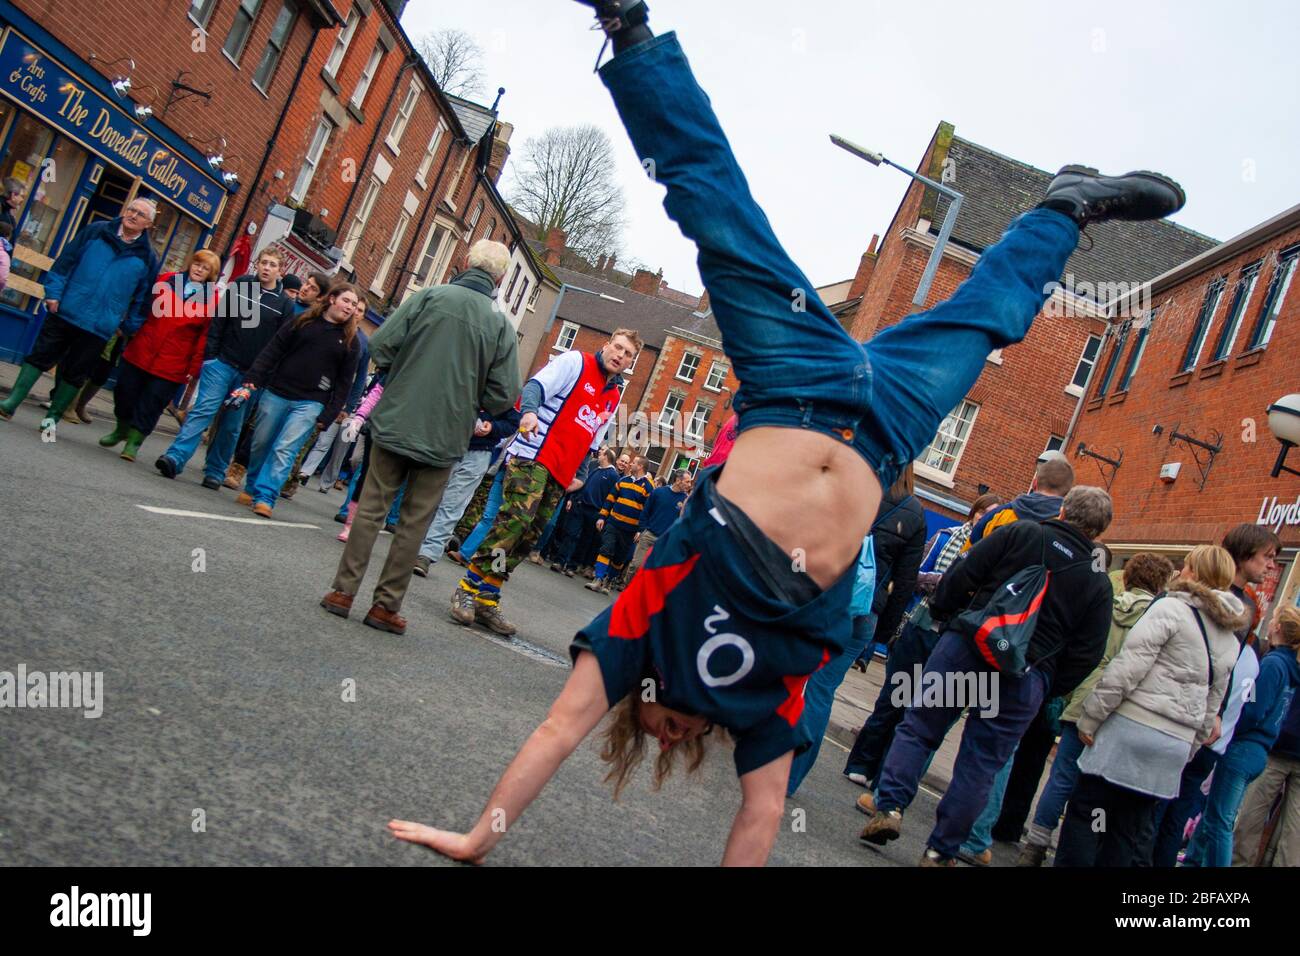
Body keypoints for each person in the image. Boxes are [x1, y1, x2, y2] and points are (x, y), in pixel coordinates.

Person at [387, 0, 1186, 866]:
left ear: (636, 707)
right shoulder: (760, 711)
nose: (666, 733)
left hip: (793, 384)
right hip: (890, 426)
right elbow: (760, 816)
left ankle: (626, 26)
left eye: (649, 730)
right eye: (676, 742)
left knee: (717, 211)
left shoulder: (635, 642)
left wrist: (477, 838)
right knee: (990, 320)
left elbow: (555, 728)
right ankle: (1065, 208)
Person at [320, 240, 521, 635]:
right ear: (499, 278)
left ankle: (343, 593)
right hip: (447, 432)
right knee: (415, 522)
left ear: (464, 263)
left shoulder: (428, 297)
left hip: (397, 418)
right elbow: (503, 394)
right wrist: (469, 398)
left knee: (372, 508)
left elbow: (380, 345)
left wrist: (406, 372)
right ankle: (385, 607)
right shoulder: (500, 325)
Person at [1053, 545, 1244, 867]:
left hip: (1131, 729)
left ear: (1195, 573)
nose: (1180, 570)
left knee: (1087, 813)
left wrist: (1091, 717)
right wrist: (1190, 747)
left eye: (1187, 566)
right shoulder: (1230, 639)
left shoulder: (1170, 608)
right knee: (1127, 831)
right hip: (1173, 746)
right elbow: (1213, 704)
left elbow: (1128, 668)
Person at [449, 329, 638, 635]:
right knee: (514, 522)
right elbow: (536, 386)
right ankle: (467, 589)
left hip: (561, 474)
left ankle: (488, 595)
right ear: (606, 346)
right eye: (617, 347)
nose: (620, 355)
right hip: (534, 455)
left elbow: (593, 439)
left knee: (528, 536)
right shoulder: (576, 362)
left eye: (628, 354)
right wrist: (529, 413)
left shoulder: (614, 394)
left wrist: (581, 475)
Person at [1016, 551, 1175, 865]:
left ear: (1128, 576)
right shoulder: (1157, 618)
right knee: (1096, 788)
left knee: (1061, 776)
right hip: (1118, 707)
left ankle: (1035, 845)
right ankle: (1079, 850)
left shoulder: (1106, 603)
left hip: (1084, 696)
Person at [844, 493, 1001, 795]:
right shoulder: (946, 537)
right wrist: (945, 581)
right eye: (984, 514)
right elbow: (915, 574)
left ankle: (888, 777)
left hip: (952, 639)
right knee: (893, 699)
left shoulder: (995, 552)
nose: (986, 520)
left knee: (923, 711)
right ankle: (862, 763)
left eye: (993, 516)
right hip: (922, 627)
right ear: (974, 514)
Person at [1149, 524, 1281, 866]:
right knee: (1164, 810)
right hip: (1188, 719)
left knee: (1165, 812)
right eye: (1266, 557)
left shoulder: (1242, 607)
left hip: (1199, 723)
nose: (1271, 567)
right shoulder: (1227, 602)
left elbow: (1225, 670)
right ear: (1243, 554)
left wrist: (1215, 713)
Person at [1, 198, 159, 431]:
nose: (133, 215)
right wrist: (53, 293)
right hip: (66, 309)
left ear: (148, 225)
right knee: (39, 356)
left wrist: (127, 326)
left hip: (99, 325)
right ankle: (12, 402)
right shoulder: (97, 230)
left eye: (141, 214)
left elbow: (144, 299)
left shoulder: (148, 256)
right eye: (131, 210)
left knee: (76, 373)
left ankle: (52, 417)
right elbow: (65, 262)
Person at [154, 248, 292, 487]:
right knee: (203, 410)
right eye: (263, 263)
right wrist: (211, 356)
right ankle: (175, 458)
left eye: (272, 265)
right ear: (257, 265)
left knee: (231, 424)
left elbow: (281, 346)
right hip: (222, 363)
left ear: (280, 271)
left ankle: (216, 470)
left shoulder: (284, 305)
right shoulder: (241, 285)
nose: (266, 268)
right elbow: (219, 320)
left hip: (250, 376)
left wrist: (261, 377)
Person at [1182, 604, 1300, 867]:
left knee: (1226, 820)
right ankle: (1193, 861)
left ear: (1277, 627)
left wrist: (1232, 726)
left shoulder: (1272, 664)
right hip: (1264, 746)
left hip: (1251, 746)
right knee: (1216, 814)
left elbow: (1255, 706)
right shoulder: (1289, 666)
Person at [232, 283, 362, 518]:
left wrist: (329, 414)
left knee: (285, 448)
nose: (350, 307)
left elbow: (344, 384)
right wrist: (254, 376)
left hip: (311, 402)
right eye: (347, 301)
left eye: (354, 304)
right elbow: (274, 349)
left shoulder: (351, 341)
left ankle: (266, 496)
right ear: (332, 299)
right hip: (277, 392)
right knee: (261, 443)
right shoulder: (302, 322)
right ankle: (252, 487)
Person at [97, 250, 222, 462]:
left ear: (211, 274)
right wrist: (130, 326)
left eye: (205, 268)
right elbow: (143, 305)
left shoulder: (212, 300)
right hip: (143, 348)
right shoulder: (166, 280)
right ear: (191, 263)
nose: (199, 269)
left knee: (151, 403)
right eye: (197, 264)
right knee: (124, 392)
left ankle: (133, 443)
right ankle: (121, 429)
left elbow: (204, 337)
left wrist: (194, 368)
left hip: (173, 361)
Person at [413, 405, 521, 577]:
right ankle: (410, 546)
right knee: (427, 498)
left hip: (479, 453)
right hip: (446, 444)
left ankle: (426, 554)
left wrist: (492, 427)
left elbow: (513, 422)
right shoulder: (461, 379)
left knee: (451, 505)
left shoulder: (505, 390)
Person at [1233, 632, 1300, 867]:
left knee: (1250, 816)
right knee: (1294, 834)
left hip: (1277, 744)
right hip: (1278, 744)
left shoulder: (1285, 661)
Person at [853, 464, 926, 666]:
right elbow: (905, 581)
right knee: (825, 684)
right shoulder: (915, 513)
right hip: (867, 608)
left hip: (832, 597)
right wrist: (883, 632)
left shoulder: (856, 485)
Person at [965, 455, 1074, 551]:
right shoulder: (1066, 533)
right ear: (1067, 493)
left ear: (1034, 483)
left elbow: (964, 560)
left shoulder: (997, 515)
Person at [585, 455, 655, 595]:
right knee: (606, 548)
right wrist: (602, 517)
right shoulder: (622, 481)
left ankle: (609, 580)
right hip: (613, 522)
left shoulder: (648, 486)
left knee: (620, 557)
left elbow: (648, 510)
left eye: (634, 463)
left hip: (631, 529)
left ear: (640, 466)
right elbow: (610, 500)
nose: (630, 464)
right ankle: (598, 579)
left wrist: (640, 530)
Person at [552, 448, 621, 576]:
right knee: (570, 534)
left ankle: (572, 567)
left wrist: (603, 515)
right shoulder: (595, 470)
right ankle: (560, 561)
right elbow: (583, 485)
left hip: (595, 512)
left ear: (606, 457)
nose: (598, 455)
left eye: (601, 454)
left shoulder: (613, 475)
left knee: (585, 540)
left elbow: (611, 497)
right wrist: (573, 499)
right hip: (580, 506)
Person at [624, 469, 692, 579]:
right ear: (678, 480)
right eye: (687, 481)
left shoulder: (685, 501)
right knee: (636, 566)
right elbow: (646, 511)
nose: (689, 485)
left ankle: (639, 595)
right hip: (649, 535)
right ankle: (628, 588)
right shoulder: (659, 492)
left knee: (651, 572)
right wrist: (642, 530)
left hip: (666, 541)